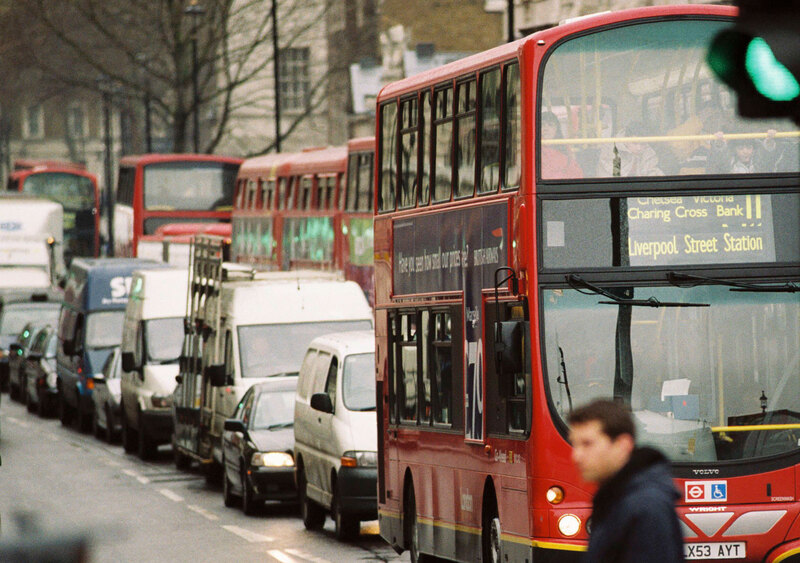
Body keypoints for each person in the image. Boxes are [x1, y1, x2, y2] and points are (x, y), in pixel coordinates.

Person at [568, 399, 684, 563]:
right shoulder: (618, 498)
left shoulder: (645, 506)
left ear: (622, 445)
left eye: (587, 444)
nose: (576, 456)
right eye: (575, 444)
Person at [596, 121, 664, 177]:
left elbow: (652, 172)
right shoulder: (611, 149)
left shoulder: (648, 152)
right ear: (625, 139)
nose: (639, 148)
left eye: (642, 144)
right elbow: (610, 176)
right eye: (634, 143)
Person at [540, 111, 583, 179]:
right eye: (542, 125)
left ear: (556, 129)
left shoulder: (564, 147)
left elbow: (575, 171)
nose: (546, 129)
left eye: (550, 125)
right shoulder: (535, 149)